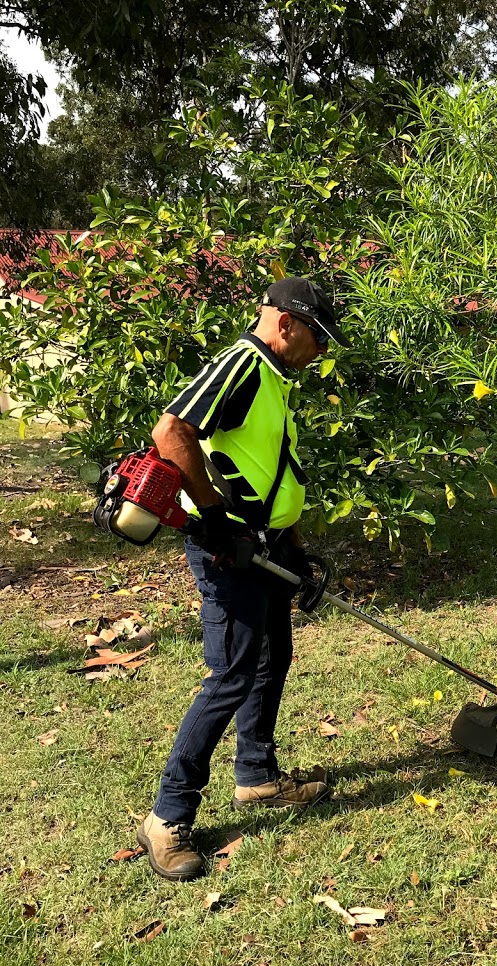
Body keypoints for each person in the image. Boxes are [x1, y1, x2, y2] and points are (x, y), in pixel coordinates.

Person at [137, 276, 340, 882]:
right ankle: (168, 817)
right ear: (285, 323)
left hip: (266, 546)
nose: (321, 353)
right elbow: (171, 433)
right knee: (231, 675)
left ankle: (256, 777)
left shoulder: (274, 380)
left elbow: (268, 472)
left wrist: (296, 552)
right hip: (229, 551)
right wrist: (220, 521)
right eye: (318, 338)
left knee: (273, 657)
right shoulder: (243, 362)